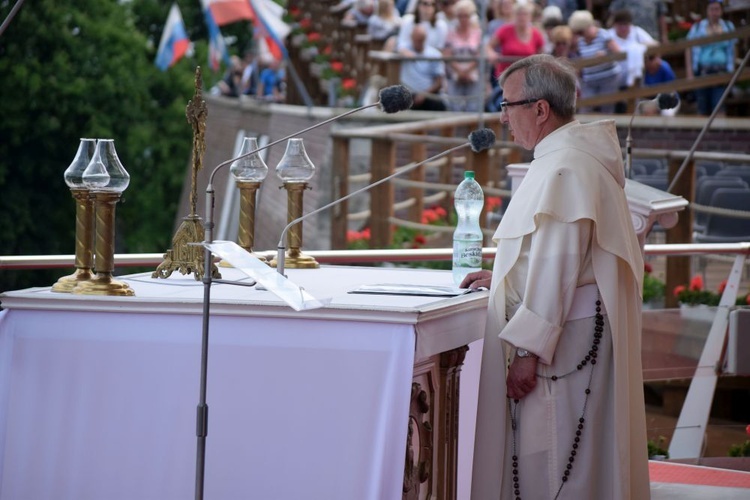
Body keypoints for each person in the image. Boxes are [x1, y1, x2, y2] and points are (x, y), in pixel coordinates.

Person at [465, 54, 650, 499]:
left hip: (561, 344)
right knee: (569, 459)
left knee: (551, 464)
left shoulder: (566, 165)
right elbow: (547, 256)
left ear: (540, 109)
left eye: (508, 105)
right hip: (571, 333)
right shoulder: (567, 158)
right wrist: (505, 277)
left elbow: (558, 264)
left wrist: (528, 349)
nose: (503, 117)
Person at [686, 0, 736, 116]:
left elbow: (733, 49)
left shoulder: (728, 27)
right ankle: (704, 134)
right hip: (702, 72)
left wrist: (732, 70)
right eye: (712, 9)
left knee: (719, 105)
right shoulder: (698, 27)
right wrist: (690, 72)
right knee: (702, 107)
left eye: (717, 9)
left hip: (721, 72)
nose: (715, 13)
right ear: (707, 11)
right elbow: (688, 47)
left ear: (721, 11)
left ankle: (720, 133)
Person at [569, 9, 622, 113]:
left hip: (608, 78)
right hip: (590, 80)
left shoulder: (603, 35)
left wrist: (605, 56)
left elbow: (619, 53)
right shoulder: (580, 41)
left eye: (581, 31)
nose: (580, 35)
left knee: (606, 107)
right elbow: (579, 58)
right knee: (585, 107)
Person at [607, 8, 658, 113]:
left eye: (626, 25)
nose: (623, 28)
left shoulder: (637, 32)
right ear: (615, 25)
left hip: (634, 75)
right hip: (614, 78)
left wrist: (638, 48)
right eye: (620, 25)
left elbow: (655, 44)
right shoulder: (608, 35)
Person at [487, 3, 545, 85]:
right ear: (514, 15)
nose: (522, 17)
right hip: (505, 76)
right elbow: (488, 46)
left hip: (528, 79)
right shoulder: (505, 30)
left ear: (530, 17)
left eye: (525, 14)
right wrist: (492, 54)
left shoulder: (537, 34)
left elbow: (542, 55)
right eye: (519, 14)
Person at [443, 0, 483, 112]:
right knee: (455, 107)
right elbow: (447, 55)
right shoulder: (450, 33)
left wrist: (467, 71)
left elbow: (480, 54)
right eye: (460, 16)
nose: (463, 19)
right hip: (455, 76)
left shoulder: (477, 33)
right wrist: (460, 71)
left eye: (466, 16)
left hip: (473, 76)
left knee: (473, 108)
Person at [399, 24, 447, 110]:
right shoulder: (403, 50)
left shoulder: (434, 54)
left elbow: (439, 82)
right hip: (407, 95)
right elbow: (392, 46)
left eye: (421, 40)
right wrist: (402, 52)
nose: (419, 42)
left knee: (439, 105)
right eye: (416, 40)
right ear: (411, 38)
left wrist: (424, 94)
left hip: (429, 95)